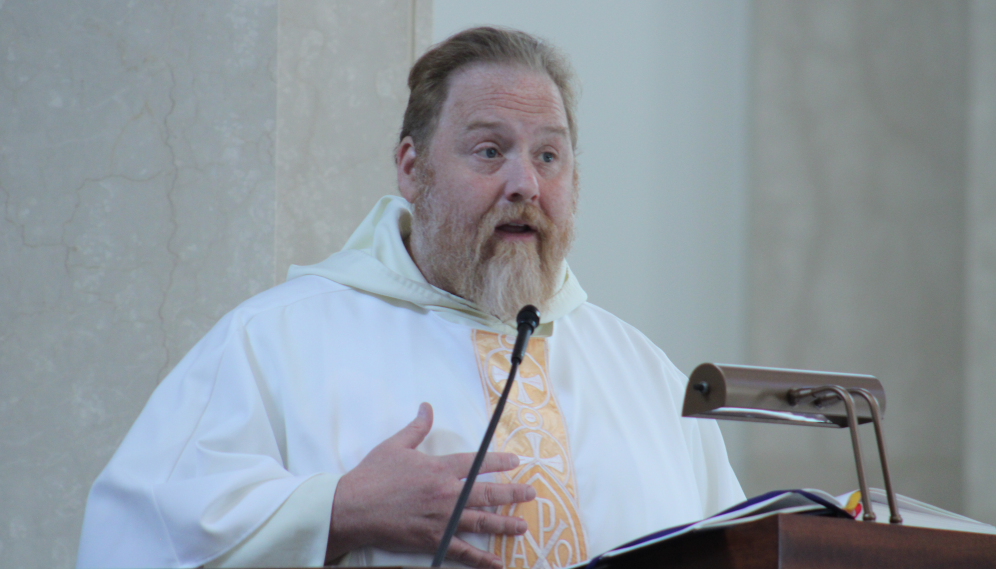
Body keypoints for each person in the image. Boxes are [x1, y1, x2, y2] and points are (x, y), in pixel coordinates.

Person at [76, 26, 744, 569]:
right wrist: (336, 511)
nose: (525, 184)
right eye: (489, 150)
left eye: (549, 156)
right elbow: (130, 542)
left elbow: (743, 546)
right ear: (411, 168)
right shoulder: (274, 342)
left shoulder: (645, 376)